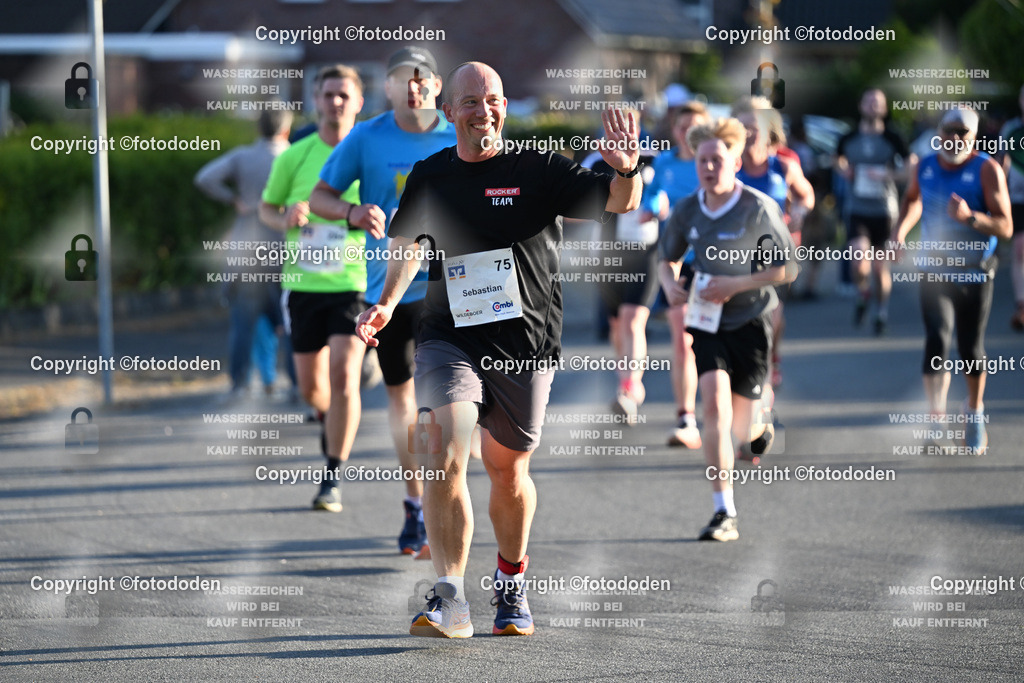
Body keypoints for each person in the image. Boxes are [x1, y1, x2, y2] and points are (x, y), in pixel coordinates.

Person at [355, 62, 641, 638]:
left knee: (507, 472)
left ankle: (511, 582)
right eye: (469, 101)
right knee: (442, 446)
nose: (482, 110)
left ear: (504, 107)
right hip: (447, 335)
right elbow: (410, 243)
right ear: (450, 111)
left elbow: (618, 202)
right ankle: (450, 598)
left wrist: (627, 170)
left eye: (492, 99)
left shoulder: (539, 169)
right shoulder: (430, 174)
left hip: (525, 343)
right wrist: (387, 301)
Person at [309, 47, 457, 557]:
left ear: (437, 87)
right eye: (401, 81)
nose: (413, 89)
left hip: (455, 289)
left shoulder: (459, 133)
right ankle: (416, 503)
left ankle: (444, 490)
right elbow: (319, 197)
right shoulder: (367, 137)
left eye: (422, 80)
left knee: (449, 404)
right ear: (388, 89)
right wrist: (352, 211)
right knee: (406, 405)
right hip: (389, 293)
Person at [658, 117, 797, 542]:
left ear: (735, 162)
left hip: (751, 319)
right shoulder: (686, 210)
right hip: (707, 323)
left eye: (718, 160)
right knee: (713, 407)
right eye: (703, 160)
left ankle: (760, 427)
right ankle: (724, 511)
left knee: (744, 430)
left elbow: (786, 268)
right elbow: (667, 260)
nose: (709, 167)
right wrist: (670, 285)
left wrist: (735, 284)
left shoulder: (756, 208)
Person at [259, 65, 367, 512]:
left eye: (344, 95)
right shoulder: (294, 155)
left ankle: (331, 478)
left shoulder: (368, 154)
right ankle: (328, 416)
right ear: (316, 101)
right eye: (328, 95)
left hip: (354, 282)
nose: (336, 102)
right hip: (302, 285)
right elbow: (267, 208)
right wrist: (283, 219)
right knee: (310, 389)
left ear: (359, 102)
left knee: (344, 375)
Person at [892, 108, 1012, 454]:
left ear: (974, 139)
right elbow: (913, 200)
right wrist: (900, 231)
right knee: (936, 342)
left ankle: (974, 412)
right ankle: (936, 419)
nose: (955, 138)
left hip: (975, 272)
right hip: (935, 271)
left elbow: (1005, 227)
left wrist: (970, 217)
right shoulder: (926, 165)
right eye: (949, 130)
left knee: (971, 349)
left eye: (963, 132)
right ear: (939, 131)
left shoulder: (986, 169)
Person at [194, 109, 296, 401]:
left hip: (246, 250)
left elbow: (204, 178)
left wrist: (234, 199)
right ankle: (297, 384)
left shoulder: (242, 157)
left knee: (242, 325)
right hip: (283, 249)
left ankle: (238, 384)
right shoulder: (295, 157)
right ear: (286, 129)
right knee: (290, 323)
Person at [732, 97, 813, 389]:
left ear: (768, 131)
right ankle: (750, 366)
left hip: (779, 252)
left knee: (772, 313)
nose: (748, 133)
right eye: (742, 127)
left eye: (754, 126)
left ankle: (770, 360)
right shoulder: (729, 167)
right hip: (739, 251)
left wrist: (799, 214)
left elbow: (806, 195)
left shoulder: (784, 166)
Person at [643, 101, 709, 447]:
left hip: (719, 264)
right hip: (676, 262)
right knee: (683, 340)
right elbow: (650, 198)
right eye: (682, 126)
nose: (687, 132)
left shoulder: (712, 162)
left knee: (719, 342)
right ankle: (686, 419)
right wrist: (654, 207)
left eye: (695, 126)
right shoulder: (664, 162)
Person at [580, 142, 659, 424]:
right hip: (605, 253)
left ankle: (630, 386)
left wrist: (661, 207)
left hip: (643, 250)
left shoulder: (654, 160)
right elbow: (577, 202)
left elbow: (668, 196)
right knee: (616, 324)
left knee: (632, 318)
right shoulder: (595, 160)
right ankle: (624, 382)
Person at [836, 88, 915, 335]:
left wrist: (888, 174)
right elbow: (836, 159)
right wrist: (844, 170)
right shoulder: (848, 137)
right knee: (859, 263)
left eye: (878, 103)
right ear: (861, 106)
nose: (873, 106)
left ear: (884, 108)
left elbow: (911, 169)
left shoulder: (893, 138)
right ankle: (863, 293)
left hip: (884, 210)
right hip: (857, 208)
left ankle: (881, 312)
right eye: (869, 102)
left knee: (881, 268)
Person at [998, 84, 1024, 330]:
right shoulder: (1011, 129)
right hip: (1017, 198)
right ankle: (1021, 305)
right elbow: (1001, 163)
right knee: (1019, 249)